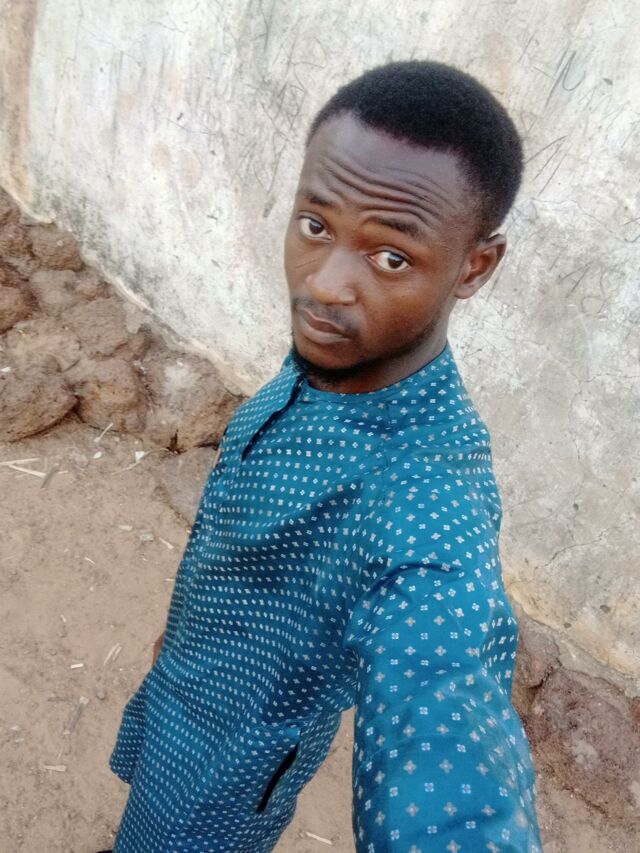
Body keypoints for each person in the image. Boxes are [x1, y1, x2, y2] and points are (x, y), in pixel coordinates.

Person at [104, 60, 543, 852]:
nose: (326, 284)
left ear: (474, 266)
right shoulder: (344, 352)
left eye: (390, 257)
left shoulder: (427, 504)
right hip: (181, 682)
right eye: (315, 226)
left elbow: (447, 725)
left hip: (229, 765)